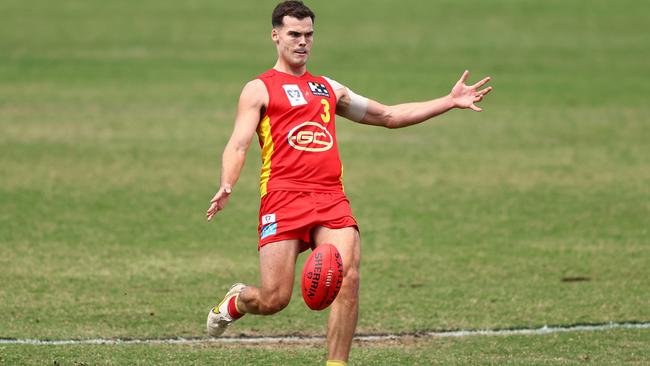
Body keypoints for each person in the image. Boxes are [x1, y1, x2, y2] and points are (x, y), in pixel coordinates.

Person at [205, 1, 492, 365]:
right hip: (283, 198)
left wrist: (449, 102)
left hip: (330, 198)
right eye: (294, 34)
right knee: (274, 298)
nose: (302, 42)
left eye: (309, 35)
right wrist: (227, 183)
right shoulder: (259, 89)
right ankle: (236, 300)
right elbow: (239, 142)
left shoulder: (329, 89)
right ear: (275, 35)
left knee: (348, 277)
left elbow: (387, 115)